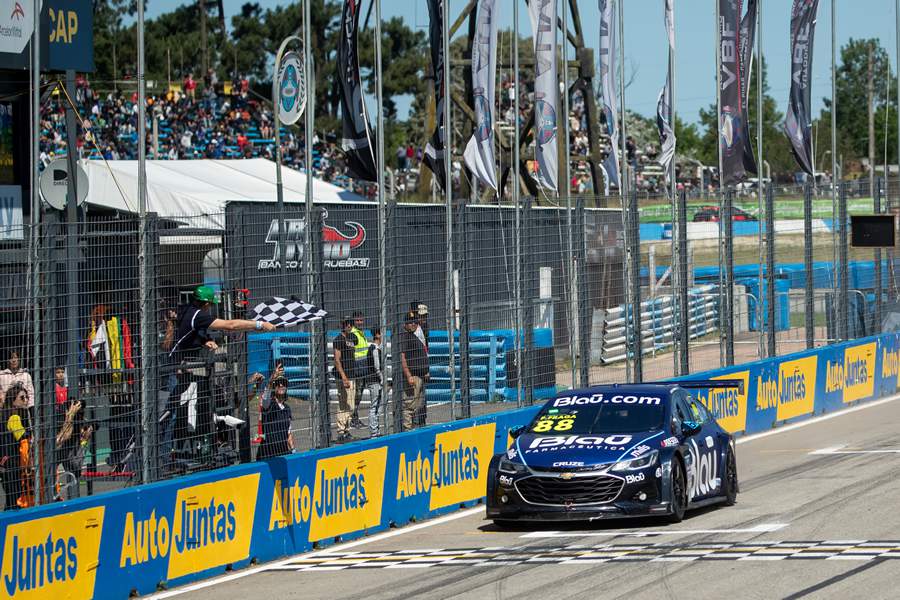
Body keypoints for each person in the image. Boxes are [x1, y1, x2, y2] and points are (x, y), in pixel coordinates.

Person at [165, 285, 275, 466]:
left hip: (174, 367)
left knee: (172, 416)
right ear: (206, 304)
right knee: (168, 418)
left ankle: (166, 459)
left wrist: (203, 340)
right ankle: (161, 463)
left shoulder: (187, 311)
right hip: (171, 370)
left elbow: (187, 331)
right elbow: (229, 325)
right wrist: (259, 325)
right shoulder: (197, 314)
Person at [251, 365, 294, 459]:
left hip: (283, 453)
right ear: (274, 387)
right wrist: (271, 380)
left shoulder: (287, 409)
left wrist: (294, 450)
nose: (281, 385)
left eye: (283, 383)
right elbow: (266, 396)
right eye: (278, 383)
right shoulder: (268, 404)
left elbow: (289, 433)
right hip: (268, 453)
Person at [1, 384, 32, 509]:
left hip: (6, 464)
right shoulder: (14, 417)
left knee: (11, 499)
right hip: (13, 464)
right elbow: (22, 436)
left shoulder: (5, 414)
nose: (26, 400)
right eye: (22, 398)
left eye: (27, 397)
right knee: (15, 500)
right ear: (13, 400)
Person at [398, 311, 429, 431]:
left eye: (415, 322)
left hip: (420, 375)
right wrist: (408, 375)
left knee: (417, 404)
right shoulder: (404, 336)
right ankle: (407, 429)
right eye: (410, 322)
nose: (413, 324)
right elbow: (402, 357)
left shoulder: (413, 335)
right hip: (413, 376)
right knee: (409, 404)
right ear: (405, 323)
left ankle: (412, 427)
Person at [332, 317, 357, 442]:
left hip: (352, 374)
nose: (349, 326)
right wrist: (343, 377)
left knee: (351, 405)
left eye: (351, 324)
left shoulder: (352, 338)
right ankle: (341, 431)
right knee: (344, 403)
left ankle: (347, 430)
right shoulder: (338, 339)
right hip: (343, 376)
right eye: (347, 324)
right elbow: (337, 360)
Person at [350, 311, 368, 429]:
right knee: (355, 395)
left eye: (361, 320)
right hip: (356, 367)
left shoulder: (361, 333)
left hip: (363, 367)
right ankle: (353, 418)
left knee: (358, 395)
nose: (360, 322)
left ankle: (354, 417)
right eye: (357, 320)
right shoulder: (353, 334)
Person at [366, 328, 384, 437]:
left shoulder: (377, 349)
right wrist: (382, 379)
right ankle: (373, 431)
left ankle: (376, 429)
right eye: (381, 333)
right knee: (374, 405)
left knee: (378, 405)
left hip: (375, 380)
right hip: (374, 381)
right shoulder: (374, 349)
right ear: (377, 335)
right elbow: (377, 367)